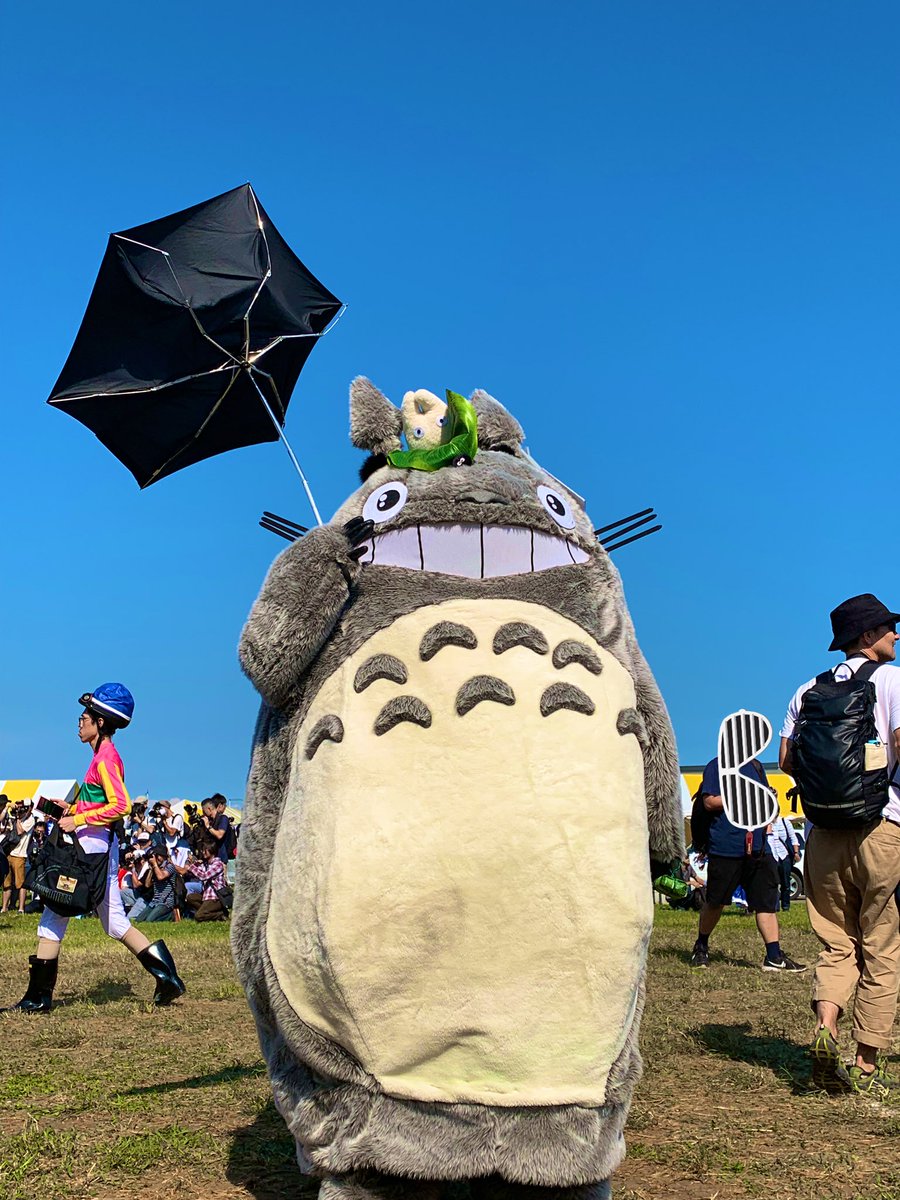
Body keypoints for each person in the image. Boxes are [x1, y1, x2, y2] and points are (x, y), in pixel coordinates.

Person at [1, 684, 186, 1013]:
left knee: (54, 913)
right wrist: (70, 809)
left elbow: (121, 805)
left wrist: (78, 818)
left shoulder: (105, 760)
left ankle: (38, 998)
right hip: (98, 851)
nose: (79, 722)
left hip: (90, 854)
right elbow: (102, 804)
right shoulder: (102, 758)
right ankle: (167, 978)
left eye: (84, 717)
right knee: (114, 923)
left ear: (100, 722)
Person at [780, 593, 900, 1099]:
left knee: (837, 942)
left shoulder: (808, 689)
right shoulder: (894, 681)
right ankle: (866, 1062)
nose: (896, 635)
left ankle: (825, 1026)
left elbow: (787, 760)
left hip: (823, 833)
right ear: (867, 636)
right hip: (882, 827)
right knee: (882, 944)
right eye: (888, 628)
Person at [689, 751, 806, 973]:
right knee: (716, 902)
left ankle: (773, 956)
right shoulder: (717, 765)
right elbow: (710, 802)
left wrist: (768, 801)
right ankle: (701, 946)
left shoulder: (756, 767)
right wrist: (746, 796)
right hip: (726, 847)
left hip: (760, 848)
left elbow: (768, 806)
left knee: (766, 903)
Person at [1, 799, 36, 915]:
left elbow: (20, 831)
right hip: (9, 853)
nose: (22, 809)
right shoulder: (16, 816)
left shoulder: (30, 820)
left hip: (20, 855)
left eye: (25, 807)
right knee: (7, 883)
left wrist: (17, 818)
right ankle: (5, 907)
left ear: (30, 808)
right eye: (21, 806)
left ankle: (21, 908)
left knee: (20, 884)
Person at [184, 841, 228, 921]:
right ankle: (207, 912)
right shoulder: (206, 864)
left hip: (216, 898)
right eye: (202, 850)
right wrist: (190, 862)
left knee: (198, 916)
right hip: (206, 897)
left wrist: (190, 867)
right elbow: (196, 871)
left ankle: (221, 914)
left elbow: (204, 876)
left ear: (212, 850)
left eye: (205, 850)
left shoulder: (218, 864)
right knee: (190, 897)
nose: (203, 852)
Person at [133, 845, 177, 922]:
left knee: (149, 921)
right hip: (155, 901)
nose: (156, 859)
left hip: (166, 902)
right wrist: (151, 869)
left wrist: (155, 865)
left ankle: (171, 915)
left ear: (163, 856)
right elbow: (147, 884)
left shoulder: (169, 866)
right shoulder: (155, 868)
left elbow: (160, 877)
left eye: (157, 856)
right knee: (138, 920)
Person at [767, 814, 801, 911]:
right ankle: (775, 906)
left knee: (785, 882)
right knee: (773, 882)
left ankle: (786, 906)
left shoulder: (784, 822)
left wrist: (796, 852)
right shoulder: (766, 823)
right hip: (772, 855)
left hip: (784, 855)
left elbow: (793, 838)